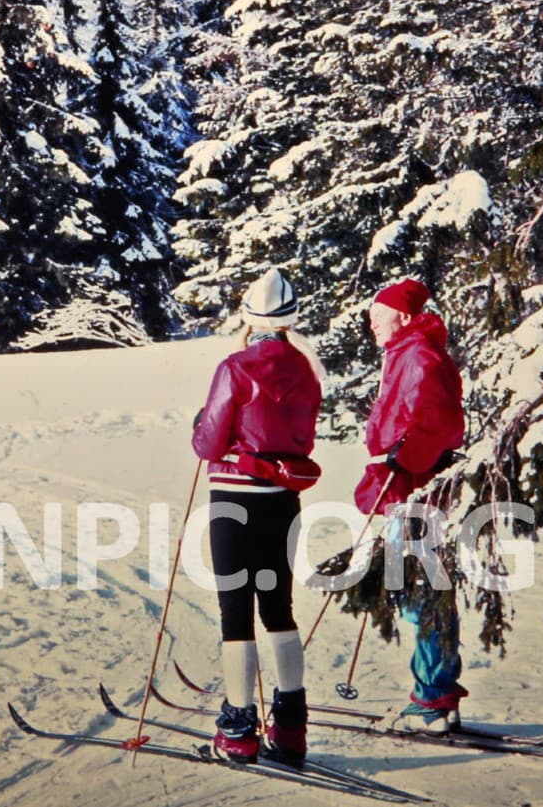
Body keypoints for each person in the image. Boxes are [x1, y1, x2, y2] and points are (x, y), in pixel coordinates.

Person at [191, 267, 325, 765]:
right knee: (278, 607)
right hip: (282, 498)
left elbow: (209, 442)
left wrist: (202, 426)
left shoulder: (234, 367)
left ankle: (238, 727)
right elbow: (301, 439)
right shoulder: (307, 369)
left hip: (234, 499)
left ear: (247, 318)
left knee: (235, 612)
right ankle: (291, 727)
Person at [351, 277, 467, 734]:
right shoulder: (406, 352)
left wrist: (406, 456)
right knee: (422, 586)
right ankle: (436, 694)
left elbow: (435, 421)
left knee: (419, 590)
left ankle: (433, 699)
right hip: (407, 483)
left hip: (414, 487)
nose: (372, 324)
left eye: (378, 316)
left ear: (401, 315)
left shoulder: (418, 353)